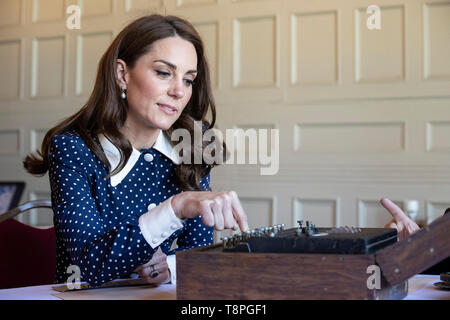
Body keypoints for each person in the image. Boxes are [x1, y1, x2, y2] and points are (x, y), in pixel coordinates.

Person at [23, 14, 248, 287]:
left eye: (189, 79)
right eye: (164, 73)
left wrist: (170, 268)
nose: (179, 91)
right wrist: (176, 207)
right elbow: (86, 265)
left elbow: (198, 254)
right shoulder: (74, 150)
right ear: (122, 74)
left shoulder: (191, 150)